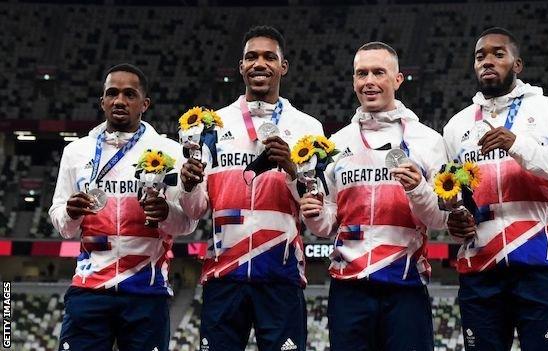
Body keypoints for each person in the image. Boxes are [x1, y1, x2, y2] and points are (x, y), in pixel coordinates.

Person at [443, 27, 548, 351]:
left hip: (537, 264)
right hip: (479, 269)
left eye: (498, 54)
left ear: (517, 65)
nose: (488, 61)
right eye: (480, 56)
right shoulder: (456, 126)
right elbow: (451, 195)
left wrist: (521, 146)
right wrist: (452, 219)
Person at [179, 26, 324, 351]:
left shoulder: (307, 127)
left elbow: (315, 207)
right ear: (241, 66)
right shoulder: (211, 124)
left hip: (280, 275)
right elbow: (194, 210)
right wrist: (187, 186)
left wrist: (290, 168)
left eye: (269, 57)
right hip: (224, 274)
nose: (260, 63)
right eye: (251, 57)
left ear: (283, 66)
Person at [299, 42, 450, 351]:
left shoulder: (428, 141)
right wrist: (314, 214)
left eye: (378, 72)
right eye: (361, 74)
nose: (368, 81)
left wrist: (418, 189)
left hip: (405, 282)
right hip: (348, 287)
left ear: (397, 79)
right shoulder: (336, 143)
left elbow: (440, 219)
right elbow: (328, 225)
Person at [49, 63, 197, 351]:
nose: (119, 100)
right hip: (89, 288)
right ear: (102, 101)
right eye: (112, 93)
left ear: (145, 104)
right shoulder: (76, 152)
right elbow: (62, 224)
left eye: (129, 94)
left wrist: (166, 214)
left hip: (146, 291)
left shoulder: (167, 151)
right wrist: (70, 212)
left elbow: (188, 224)